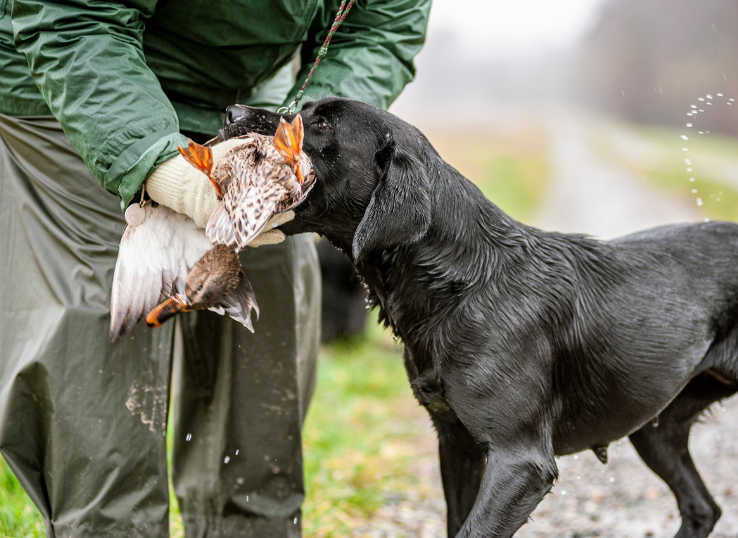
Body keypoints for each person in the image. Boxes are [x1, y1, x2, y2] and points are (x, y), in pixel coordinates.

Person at [0, 0, 430, 536]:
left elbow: (380, 26)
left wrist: (307, 140)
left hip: (239, 84)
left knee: (264, 345)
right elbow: (69, 15)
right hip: (81, 71)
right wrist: (155, 163)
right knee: (104, 349)